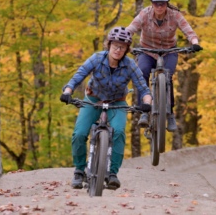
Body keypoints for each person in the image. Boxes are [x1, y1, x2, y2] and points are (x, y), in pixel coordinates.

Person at [60, 27, 152, 190]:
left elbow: (143, 88)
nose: (118, 49)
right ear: (108, 45)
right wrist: (68, 92)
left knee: (118, 131)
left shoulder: (130, 65)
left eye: (122, 47)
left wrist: (147, 102)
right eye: (115, 45)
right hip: (93, 99)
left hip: (117, 102)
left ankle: (112, 174)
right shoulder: (96, 59)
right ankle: (79, 170)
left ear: (126, 50)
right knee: (79, 133)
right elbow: (78, 76)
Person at [126, 0, 203, 132]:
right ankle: (144, 111)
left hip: (169, 51)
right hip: (147, 51)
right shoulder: (144, 14)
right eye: (156, 3)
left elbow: (189, 31)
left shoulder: (175, 15)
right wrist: (123, 41)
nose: (159, 7)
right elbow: (130, 29)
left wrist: (194, 43)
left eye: (162, 3)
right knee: (142, 73)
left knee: (167, 76)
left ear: (167, 3)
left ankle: (170, 114)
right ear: (152, 3)